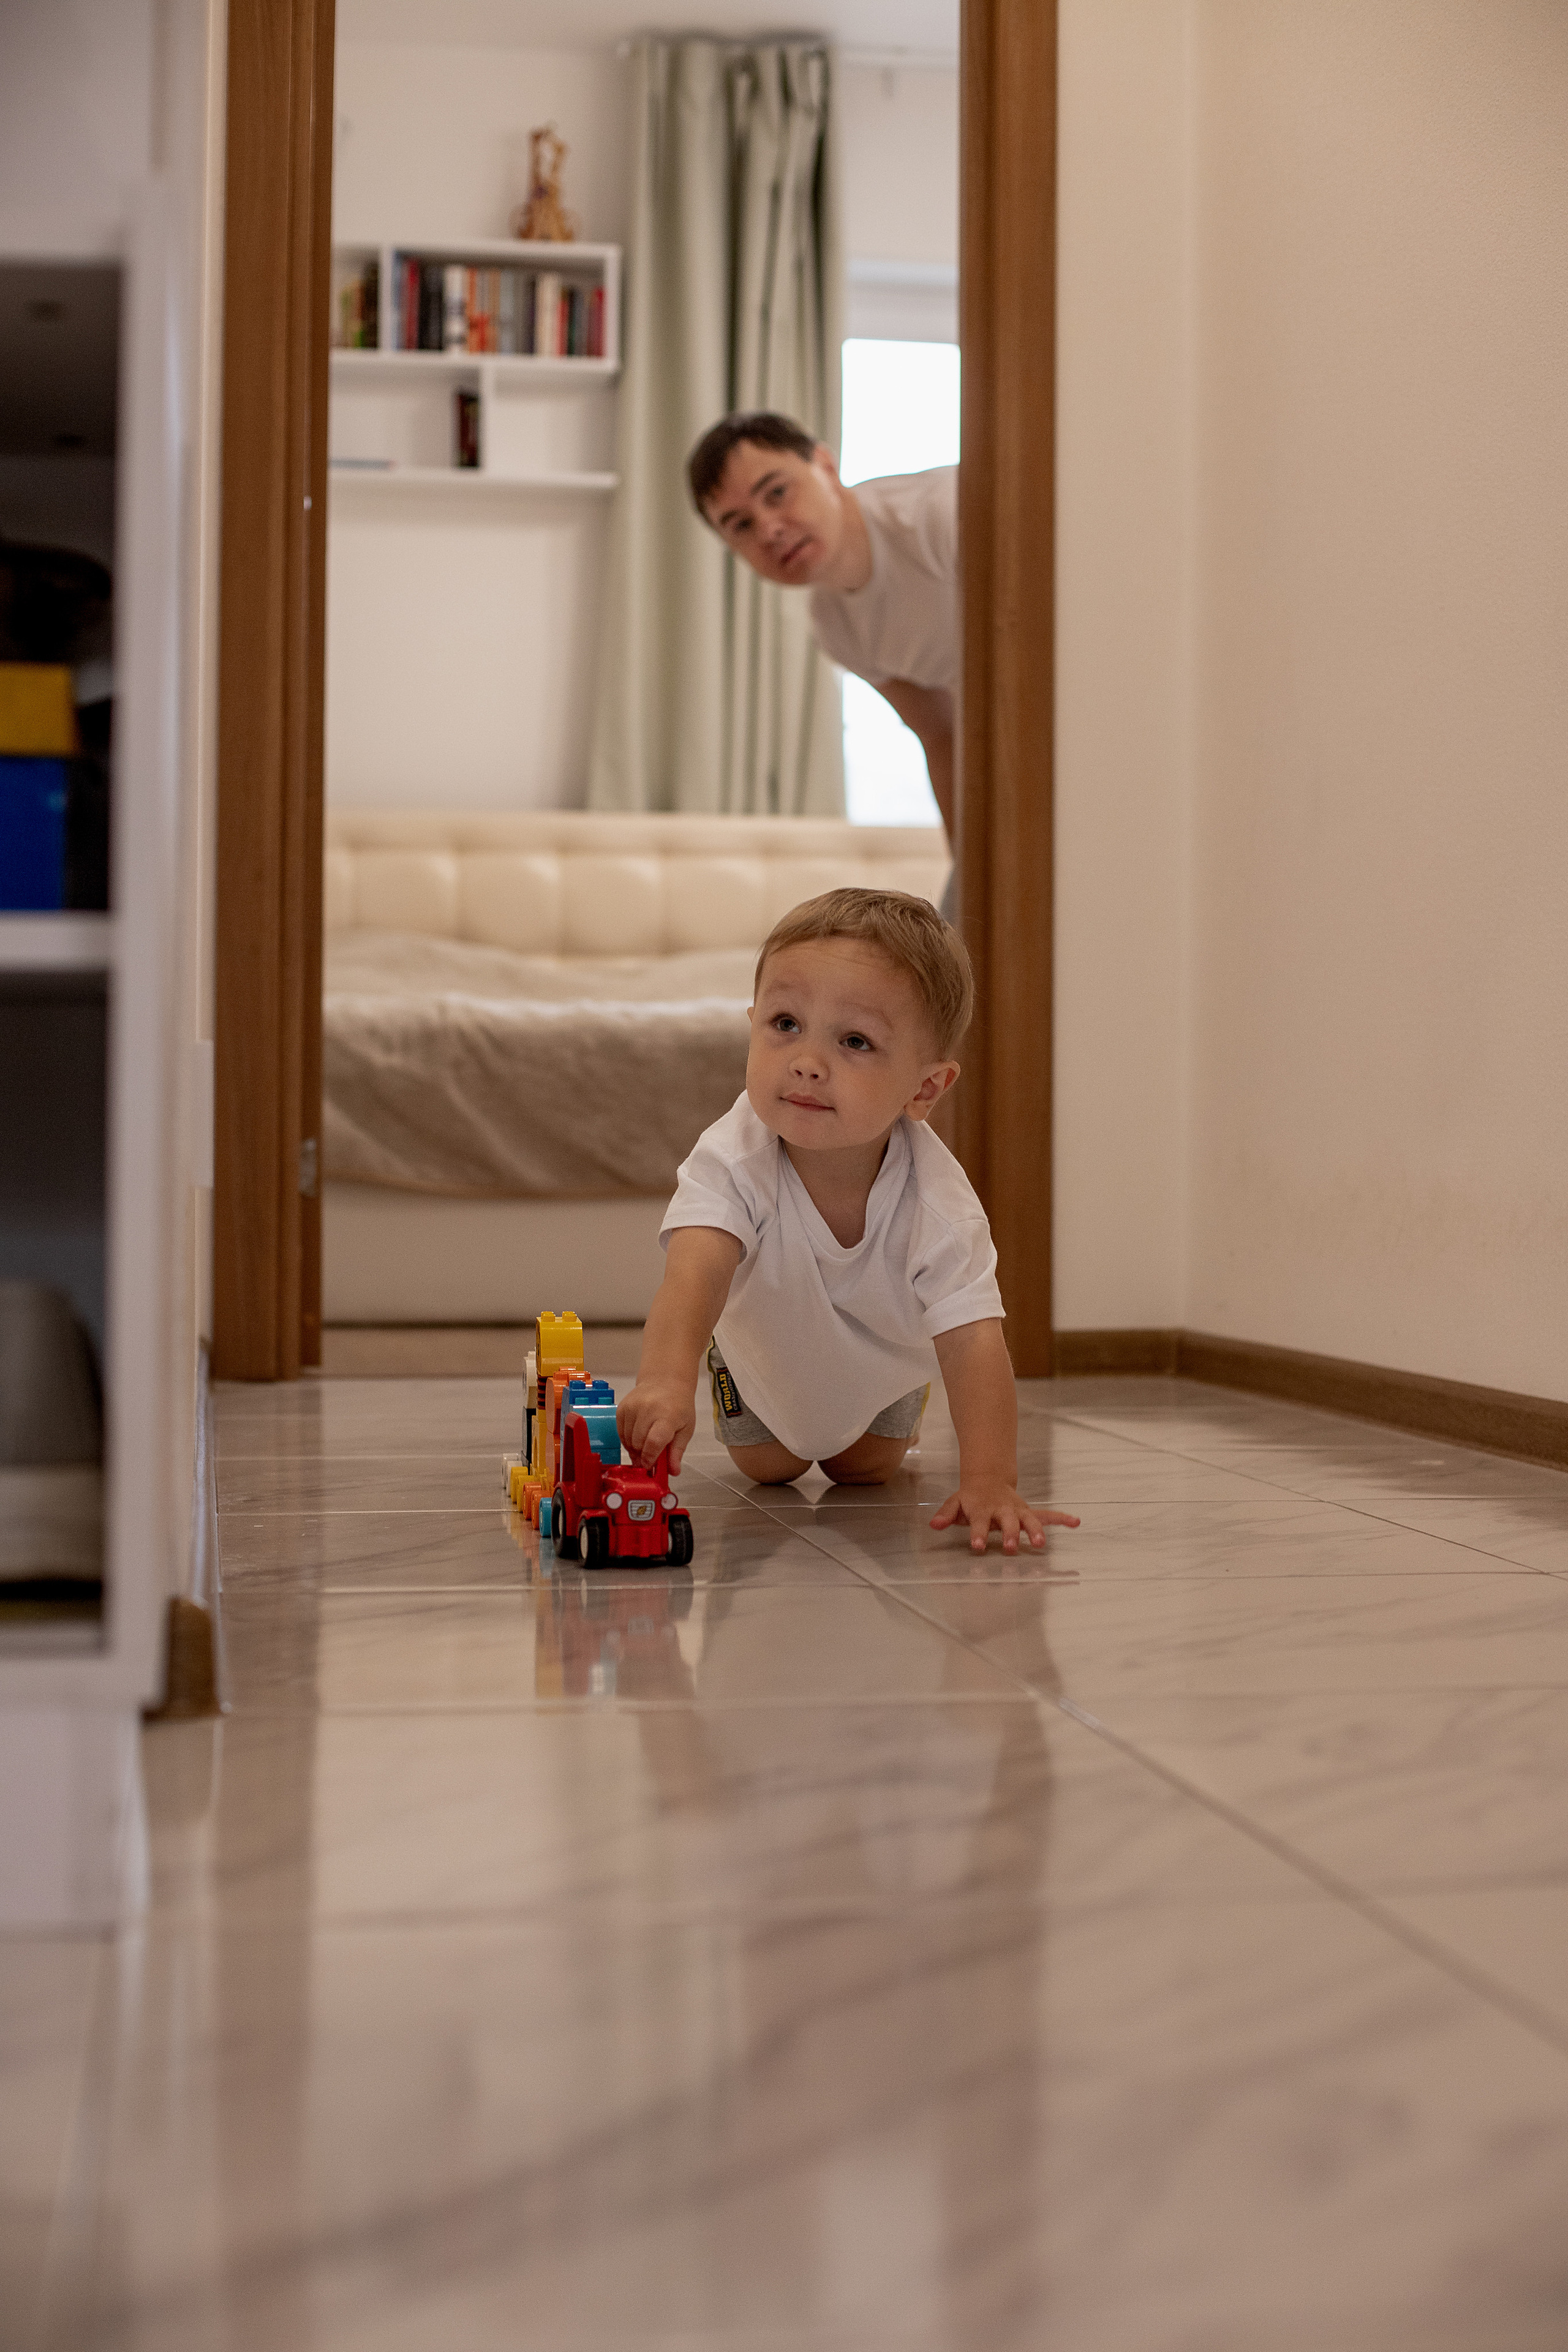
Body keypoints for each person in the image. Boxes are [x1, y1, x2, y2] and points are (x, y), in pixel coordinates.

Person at [616, 887, 1079, 1556]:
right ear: (751, 1024)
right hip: (763, 1358)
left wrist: (990, 1480)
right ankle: (741, 1385)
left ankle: (887, 1412)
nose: (807, 1059)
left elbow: (974, 1341)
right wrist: (664, 1381)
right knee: (767, 1467)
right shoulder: (733, 1157)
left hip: (885, 1370)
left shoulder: (938, 1204)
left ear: (924, 1090)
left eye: (855, 1040)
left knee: (863, 1471)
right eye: (784, 1024)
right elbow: (695, 1271)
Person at [687, 412, 957, 836]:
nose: (770, 529)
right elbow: (942, 736)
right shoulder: (835, 628)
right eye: (741, 525)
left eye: (777, 493)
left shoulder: (940, 517)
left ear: (826, 467)